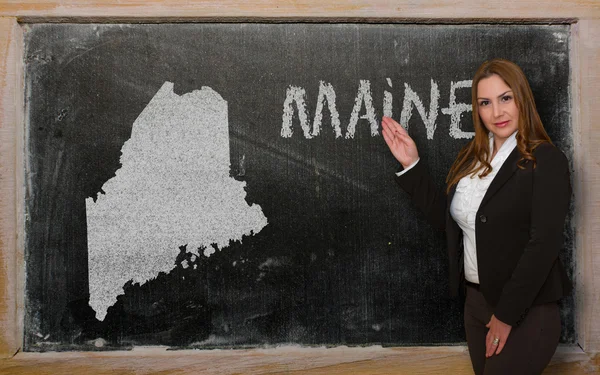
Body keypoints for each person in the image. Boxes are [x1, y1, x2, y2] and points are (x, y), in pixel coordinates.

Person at [382, 58, 572, 375]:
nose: (496, 112)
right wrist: (412, 165)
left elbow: (544, 244)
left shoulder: (545, 159)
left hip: (525, 310)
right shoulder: (472, 159)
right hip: (476, 305)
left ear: (522, 98)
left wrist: (506, 316)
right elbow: (451, 225)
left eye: (505, 98)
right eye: (485, 102)